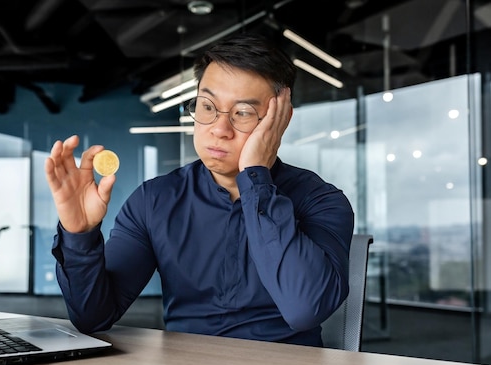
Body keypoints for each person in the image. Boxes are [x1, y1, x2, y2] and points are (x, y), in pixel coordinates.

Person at [45, 32, 354, 347]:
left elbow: (305, 309)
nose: (219, 129)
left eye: (243, 113)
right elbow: (93, 317)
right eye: (207, 106)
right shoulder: (155, 200)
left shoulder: (321, 201)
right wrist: (79, 234)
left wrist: (255, 178)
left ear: (280, 120)